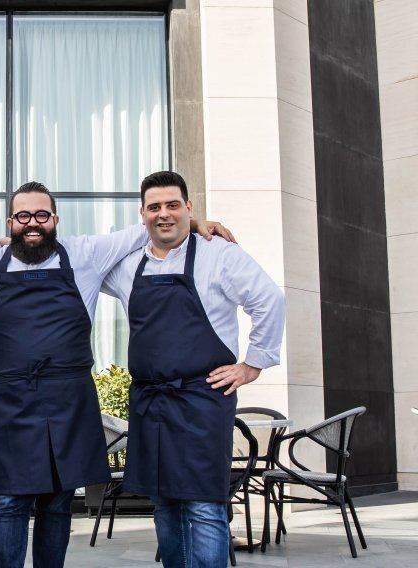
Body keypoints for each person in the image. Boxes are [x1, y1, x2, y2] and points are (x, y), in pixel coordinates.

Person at [0, 181, 232, 568]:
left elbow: (153, 225)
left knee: (59, 500)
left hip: (71, 398)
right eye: (23, 216)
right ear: (10, 221)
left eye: (41, 216)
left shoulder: (85, 254)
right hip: (11, 400)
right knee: (10, 501)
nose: (32, 223)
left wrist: (196, 220)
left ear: (55, 219)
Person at [101, 171, 286, 568]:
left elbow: (269, 300)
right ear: (142, 215)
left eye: (173, 205)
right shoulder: (127, 265)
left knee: (204, 505)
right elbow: (73, 259)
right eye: (154, 207)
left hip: (203, 398)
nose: (164, 214)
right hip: (150, 400)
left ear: (189, 207)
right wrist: (8, 245)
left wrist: (252, 365)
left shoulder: (219, 254)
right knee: (164, 504)